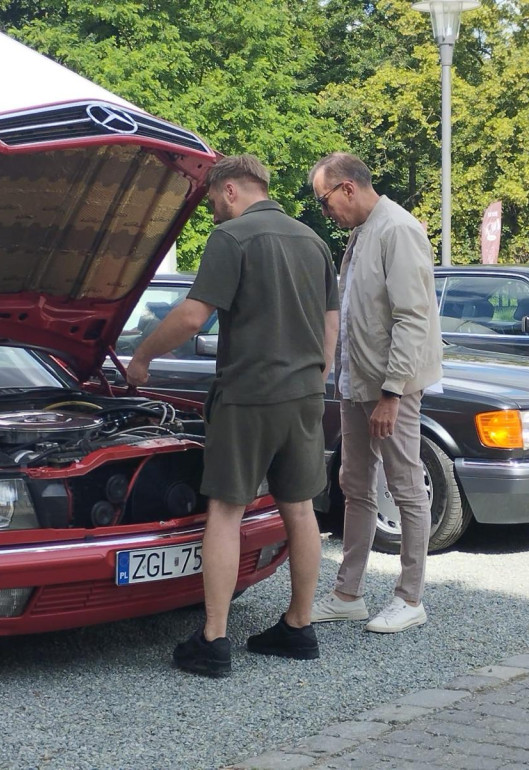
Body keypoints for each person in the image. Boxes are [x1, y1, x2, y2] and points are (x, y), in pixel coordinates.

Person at [126, 154, 339, 677]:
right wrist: (316, 376)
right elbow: (332, 320)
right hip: (304, 395)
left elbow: (192, 315)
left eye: (211, 201)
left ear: (229, 190)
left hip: (248, 398)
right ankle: (299, 627)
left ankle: (213, 639)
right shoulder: (312, 240)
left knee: (225, 510)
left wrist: (142, 356)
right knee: (300, 508)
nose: (211, 212)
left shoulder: (232, 237)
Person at [308, 152, 443, 634]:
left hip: (388, 389)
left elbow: (412, 317)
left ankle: (410, 597)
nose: (325, 212)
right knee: (355, 484)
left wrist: (392, 393)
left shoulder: (398, 229)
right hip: (357, 383)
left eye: (324, 201)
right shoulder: (362, 233)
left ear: (347, 187)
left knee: (406, 486)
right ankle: (348, 594)